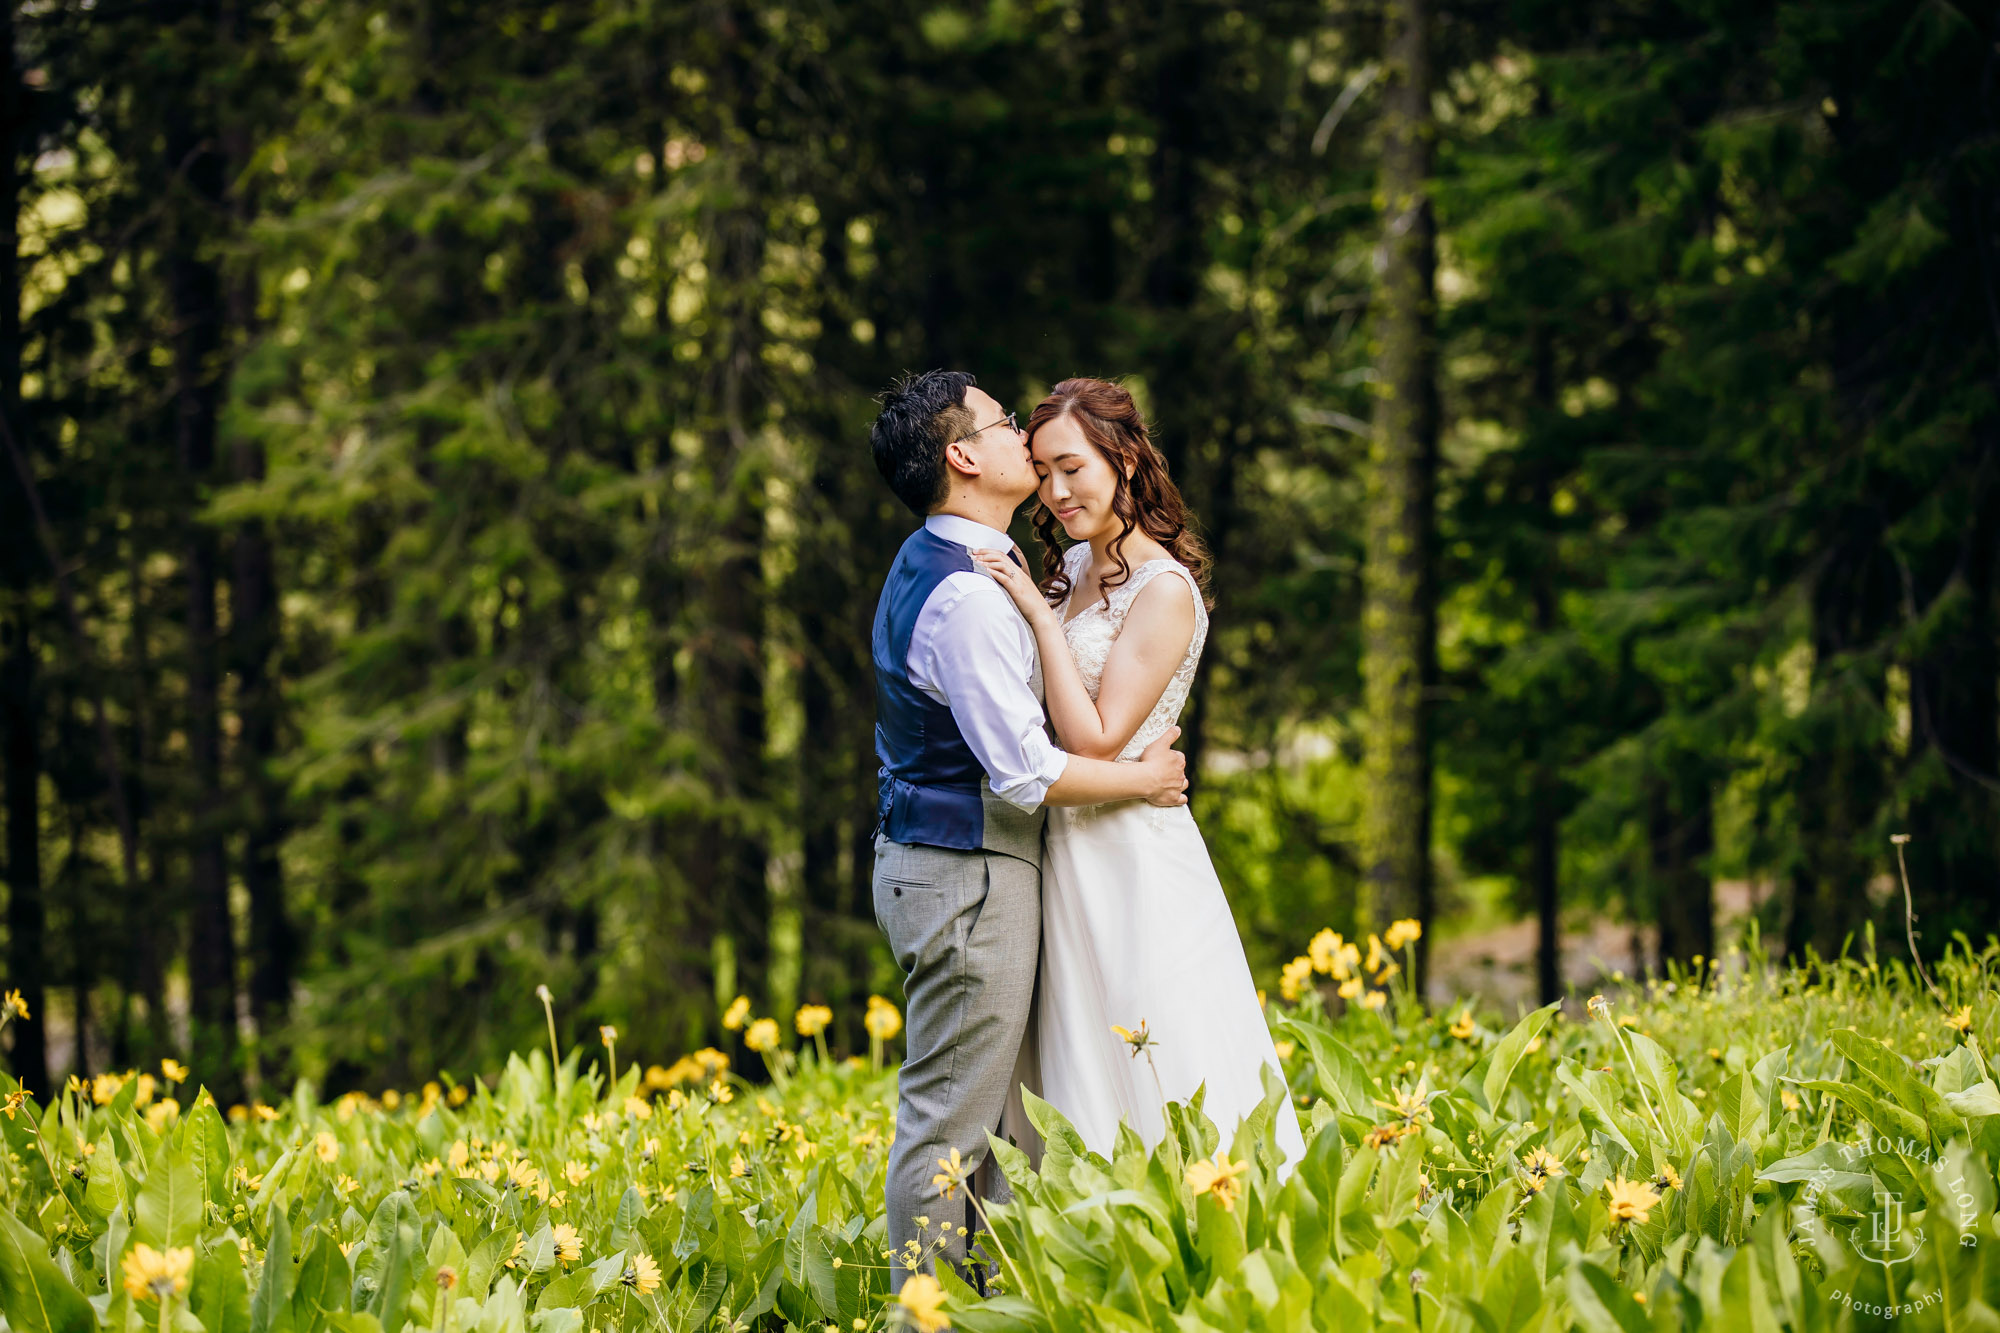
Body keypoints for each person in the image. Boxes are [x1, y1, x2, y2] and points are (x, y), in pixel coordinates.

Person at [865, 370, 1190, 1291]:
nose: (1024, 440)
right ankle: (922, 1311)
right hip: (964, 878)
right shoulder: (966, 595)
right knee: (952, 1123)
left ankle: (992, 1295)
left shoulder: (951, 561)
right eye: (1006, 424)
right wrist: (1145, 777)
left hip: (956, 867)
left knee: (1002, 1120)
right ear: (963, 454)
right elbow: (1023, 769)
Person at [970, 376, 1306, 1171]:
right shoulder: (1068, 568)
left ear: (1122, 459)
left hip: (1134, 855)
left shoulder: (1164, 590)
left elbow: (1093, 738)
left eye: (1072, 467)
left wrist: (1031, 609)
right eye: (1041, 471)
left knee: (1155, 1037)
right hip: (1062, 845)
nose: (1053, 491)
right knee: (1077, 1049)